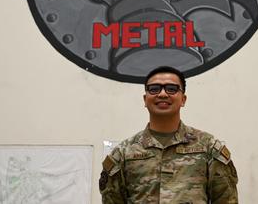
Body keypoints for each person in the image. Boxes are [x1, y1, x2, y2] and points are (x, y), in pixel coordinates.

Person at [99, 66, 238, 203]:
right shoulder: (124, 153)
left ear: (183, 99)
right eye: (154, 89)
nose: (163, 94)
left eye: (171, 89)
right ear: (145, 99)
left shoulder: (208, 147)